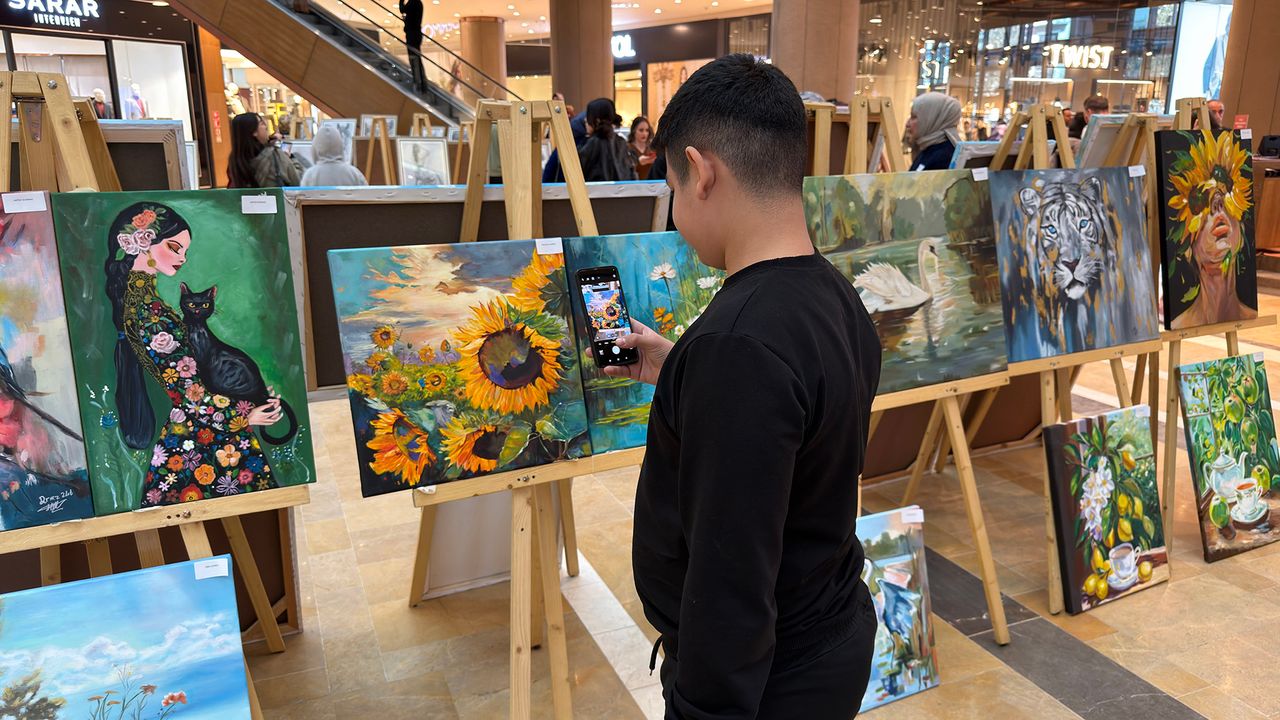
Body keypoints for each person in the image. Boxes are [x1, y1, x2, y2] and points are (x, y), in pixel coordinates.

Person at [608, 54, 880, 718]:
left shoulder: (738, 346)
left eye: (671, 188)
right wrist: (682, 370)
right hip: (829, 631)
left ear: (700, 172)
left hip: (770, 682)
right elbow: (795, 430)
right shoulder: (832, 295)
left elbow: (730, 584)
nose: (675, 215)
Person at [103, 202, 286, 506]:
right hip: (201, 441)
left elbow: (196, 372)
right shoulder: (150, 314)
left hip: (201, 432)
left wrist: (248, 395)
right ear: (144, 243)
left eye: (185, 251)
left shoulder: (145, 303)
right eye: (174, 247)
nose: (182, 258)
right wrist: (244, 414)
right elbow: (189, 393)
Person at [227, 112, 303, 189]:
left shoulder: (235, 160)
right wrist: (291, 158)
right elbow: (298, 180)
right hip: (273, 196)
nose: (266, 126)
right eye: (262, 123)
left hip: (246, 197)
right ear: (254, 132)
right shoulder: (275, 155)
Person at [578, 98, 637, 182]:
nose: (585, 120)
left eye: (588, 117)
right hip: (622, 189)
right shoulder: (621, 141)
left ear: (597, 120)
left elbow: (578, 169)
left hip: (596, 190)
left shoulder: (593, 143)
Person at [907, 92, 962, 171]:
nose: (907, 124)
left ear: (931, 119)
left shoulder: (943, 158)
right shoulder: (930, 148)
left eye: (913, 117)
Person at [300, 124, 369, 187]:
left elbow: (301, 196)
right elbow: (368, 194)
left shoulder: (309, 176)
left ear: (315, 148)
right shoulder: (354, 174)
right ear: (340, 146)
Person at [400, 0, 427, 93]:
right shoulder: (418, 3)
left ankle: (419, 83)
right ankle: (422, 84)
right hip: (416, 34)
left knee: (414, 59)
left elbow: (402, 9)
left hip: (412, 35)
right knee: (416, 59)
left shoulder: (413, 2)